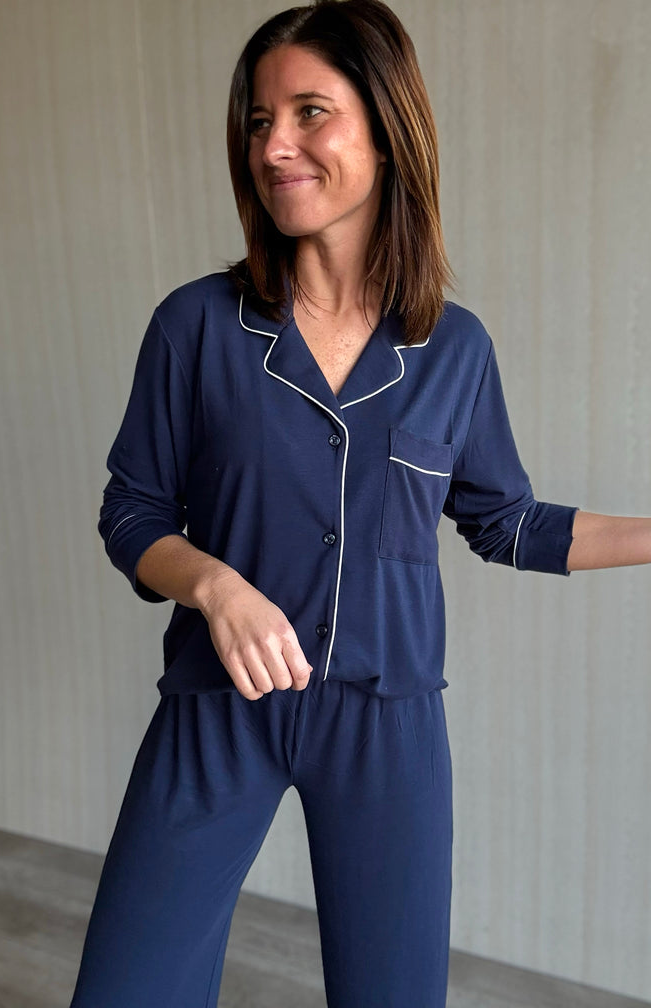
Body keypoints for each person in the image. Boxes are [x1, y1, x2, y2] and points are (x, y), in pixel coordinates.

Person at [69, 1, 651, 1005]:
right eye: (259, 121)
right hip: (219, 710)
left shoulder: (453, 351)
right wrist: (215, 585)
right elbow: (133, 516)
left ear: (385, 129)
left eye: (309, 113)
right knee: (129, 989)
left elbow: (507, 523)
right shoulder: (196, 328)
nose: (276, 146)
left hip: (390, 730)